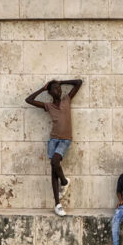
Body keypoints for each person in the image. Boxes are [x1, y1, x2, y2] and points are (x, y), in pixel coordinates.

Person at [25, 79, 82, 217]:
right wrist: (43, 88)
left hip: (65, 140)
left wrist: (61, 82)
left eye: (59, 88)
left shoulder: (67, 100)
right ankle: (57, 204)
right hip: (53, 139)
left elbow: (79, 82)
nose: (59, 90)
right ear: (50, 92)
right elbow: (29, 100)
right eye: (55, 89)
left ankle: (64, 181)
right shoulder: (48, 106)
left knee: (55, 162)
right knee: (53, 171)